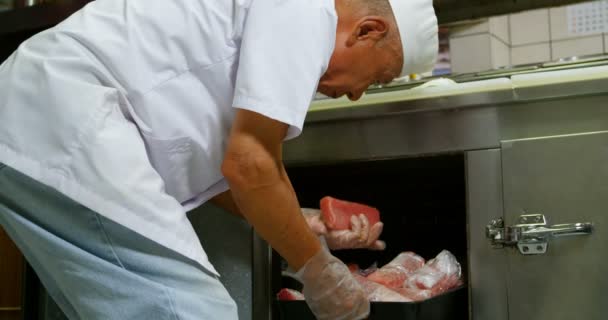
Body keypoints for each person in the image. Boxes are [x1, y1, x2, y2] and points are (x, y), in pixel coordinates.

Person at [0, 0, 437, 319]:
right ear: (367, 31)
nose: (359, 93)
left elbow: (232, 170)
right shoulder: (308, 11)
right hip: (67, 115)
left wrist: (303, 222)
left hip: (36, 118)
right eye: (378, 77)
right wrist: (320, 271)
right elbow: (250, 165)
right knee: (193, 311)